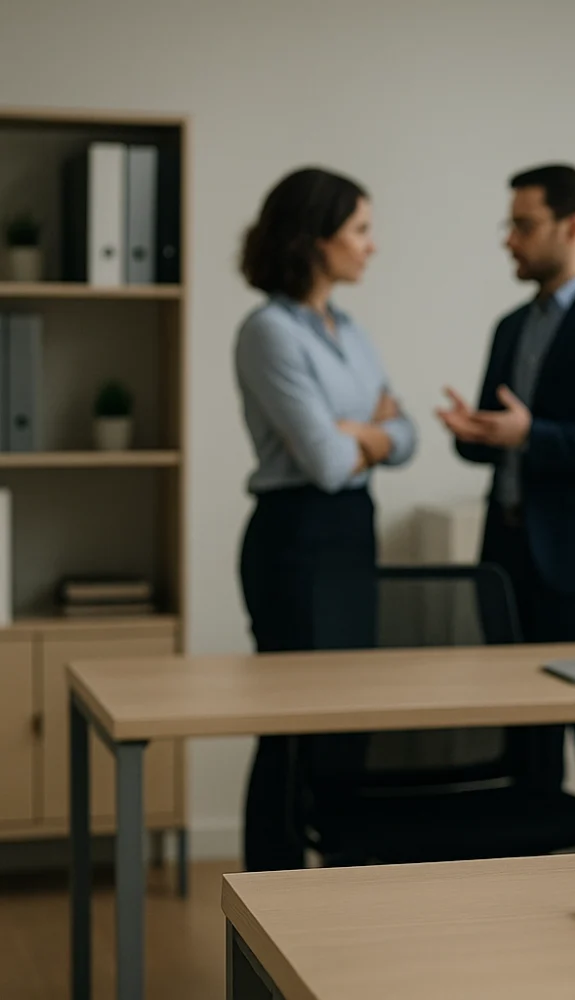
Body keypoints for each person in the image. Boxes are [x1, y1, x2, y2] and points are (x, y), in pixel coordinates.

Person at [437, 164, 575, 852]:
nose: (509, 240)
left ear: (572, 227)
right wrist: (480, 435)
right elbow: (502, 443)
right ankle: (532, 880)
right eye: (509, 224)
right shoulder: (511, 327)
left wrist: (532, 434)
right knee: (524, 729)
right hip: (505, 558)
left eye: (523, 224)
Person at [234, 167, 417, 871]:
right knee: (291, 727)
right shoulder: (268, 332)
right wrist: (363, 436)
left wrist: (361, 434)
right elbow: (324, 462)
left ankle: (336, 893)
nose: (372, 246)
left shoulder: (350, 329)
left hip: (350, 532)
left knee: (346, 723)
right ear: (315, 238)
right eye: (361, 229)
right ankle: (267, 895)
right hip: (294, 537)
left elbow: (405, 435)